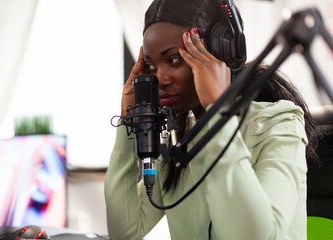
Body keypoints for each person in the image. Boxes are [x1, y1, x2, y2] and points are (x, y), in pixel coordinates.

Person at [104, 0, 318, 239]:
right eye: (152, 66)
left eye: (174, 59)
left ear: (219, 54)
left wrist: (218, 109)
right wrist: (128, 122)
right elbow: (124, 232)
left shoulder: (278, 123)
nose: (160, 79)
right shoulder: (179, 141)